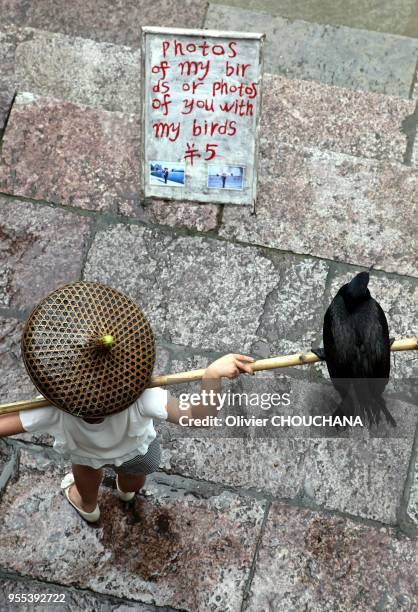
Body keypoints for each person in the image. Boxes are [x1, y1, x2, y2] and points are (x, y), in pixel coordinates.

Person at [0, 354, 254, 522]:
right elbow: (200, 418)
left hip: (86, 457)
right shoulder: (142, 396)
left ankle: (87, 505)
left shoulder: (52, 407)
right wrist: (211, 377)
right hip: (139, 454)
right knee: (134, 479)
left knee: (85, 478)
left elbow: (6, 425)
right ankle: (126, 493)